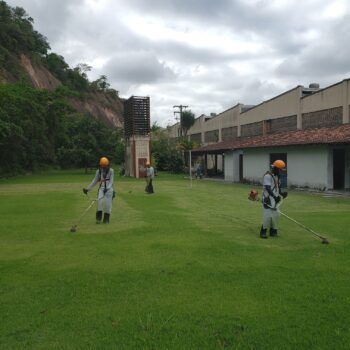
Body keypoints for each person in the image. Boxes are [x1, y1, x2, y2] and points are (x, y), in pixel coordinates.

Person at [260, 160, 288, 239]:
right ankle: (263, 232)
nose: (281, 172)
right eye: (280, 170)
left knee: (276, 215)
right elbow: (268, 188)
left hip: (275, 199)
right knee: (267, 215)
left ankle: (273, 231)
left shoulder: (277, 177)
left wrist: (282, 194)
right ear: (275, 168)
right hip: (268, 199)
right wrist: (274, 197)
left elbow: (277, 188)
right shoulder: (267, 176)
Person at [83, 157, 115, 224]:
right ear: (100, 165)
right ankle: (98, 219)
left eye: (105, 166)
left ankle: (106, 219)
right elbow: (94, 181)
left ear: (108, 165)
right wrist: (88, 189)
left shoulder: (111, 171)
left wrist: (108, 188)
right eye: (102, 166)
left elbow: (111, 181)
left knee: (108, 205)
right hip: (101, 189)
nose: (104, 167)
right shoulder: (99, 171)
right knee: (99, 203)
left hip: (109, 190)